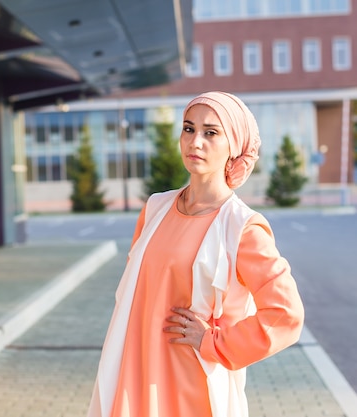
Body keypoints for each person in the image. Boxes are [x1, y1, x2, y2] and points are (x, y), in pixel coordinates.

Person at [87, 91, 305, 417]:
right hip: (134, 371)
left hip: (192, 382)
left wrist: (214, 341)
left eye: (211, 132)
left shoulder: (243, 227)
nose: (195, 142)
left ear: (234, 145)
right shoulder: (155, 208)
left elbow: (285, 314)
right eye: (188, 129)